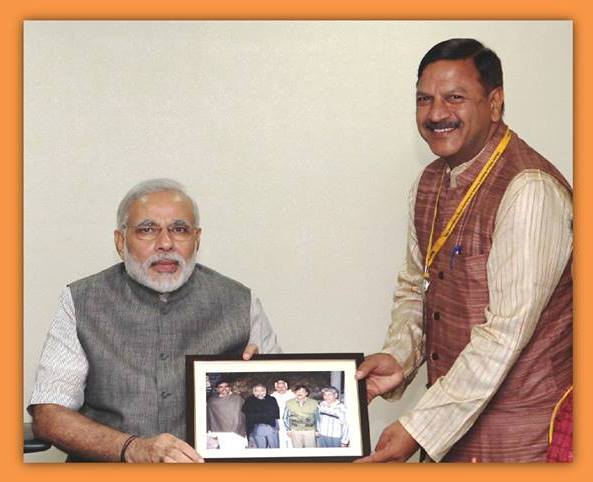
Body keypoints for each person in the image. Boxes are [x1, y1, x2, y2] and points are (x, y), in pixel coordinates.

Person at [356, 39, 572, 463]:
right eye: (424, 99)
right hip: (451, 435)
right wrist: (400, 356)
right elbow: (416, 286)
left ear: (494, 103)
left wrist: (418, 428)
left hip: (525, 440)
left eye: (454, 98)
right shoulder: (430, 182)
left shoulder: (529, 189)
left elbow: (504, 333)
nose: (436, 114)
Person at [28, 178, 281, 463]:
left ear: (197, 239)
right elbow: (49, 415)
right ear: (120, 241)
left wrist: (263, 373)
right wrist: (132, 449)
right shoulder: (81, 300)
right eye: (147, 230)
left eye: (179, 229)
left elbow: (276, 396)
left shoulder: (241, 302)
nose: (165, 243)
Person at [206, 380, 248, 450]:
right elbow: (209, 416)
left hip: (236, 433)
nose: (224, 389)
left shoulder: (237, 398)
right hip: (219, 433)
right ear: (217, 389)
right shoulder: (212, 401)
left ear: (230, 388)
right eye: (221, 387)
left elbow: (243, 414)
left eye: (226, 386)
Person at [242, 383, 280, 448]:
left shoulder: (271, 399)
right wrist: (264, 416)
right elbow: (249, 415)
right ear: (253, 392)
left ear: (265, 391)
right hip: (256, 429)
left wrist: (259, 415)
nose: (260, 393)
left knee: (274, 448)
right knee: (261, 449)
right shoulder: (249, 401)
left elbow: (275, 413)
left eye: (262, 390)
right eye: (257, 391)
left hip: (271, 427)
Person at [270, 378, 295, 448]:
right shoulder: (272, 396)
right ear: (276, 387)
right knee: (280, 440)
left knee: (291, 441)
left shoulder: (292, 395)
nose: (281, 389)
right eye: (279, 387)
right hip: (278, 422)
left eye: (283, 387)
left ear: (286, 386)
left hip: (290, 421)